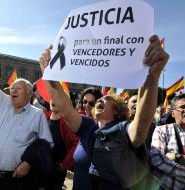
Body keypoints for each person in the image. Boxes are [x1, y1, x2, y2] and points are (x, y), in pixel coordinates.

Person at [39, 35, 169, 189]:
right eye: (100, 99)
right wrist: (48, 75)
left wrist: (151, 76)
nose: (100, 100)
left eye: (107, 99)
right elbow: (65, 107)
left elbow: (140, 126)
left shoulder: (124, 129)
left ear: (117, 110)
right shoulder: (87, 126)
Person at [0, 47, 53, 190]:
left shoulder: (36, 114)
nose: (13, 90)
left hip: (14, 181)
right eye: (12, 88)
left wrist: (28, 162)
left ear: (29, 94)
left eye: (18, 88)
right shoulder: (2, 103)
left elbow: (46, 143)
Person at [150, 93, 185, 190]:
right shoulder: (162, 130)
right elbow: (158, 160)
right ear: (172, 113)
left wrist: (179, 158)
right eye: (182, 107)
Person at [45, 100, 79, 190]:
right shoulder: (45, 116)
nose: (54, 99)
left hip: (57, 169)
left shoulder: (68, 122)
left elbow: (77, 144)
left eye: (57, 97)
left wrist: (63, 165)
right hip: (43, 166)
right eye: (52, 97)